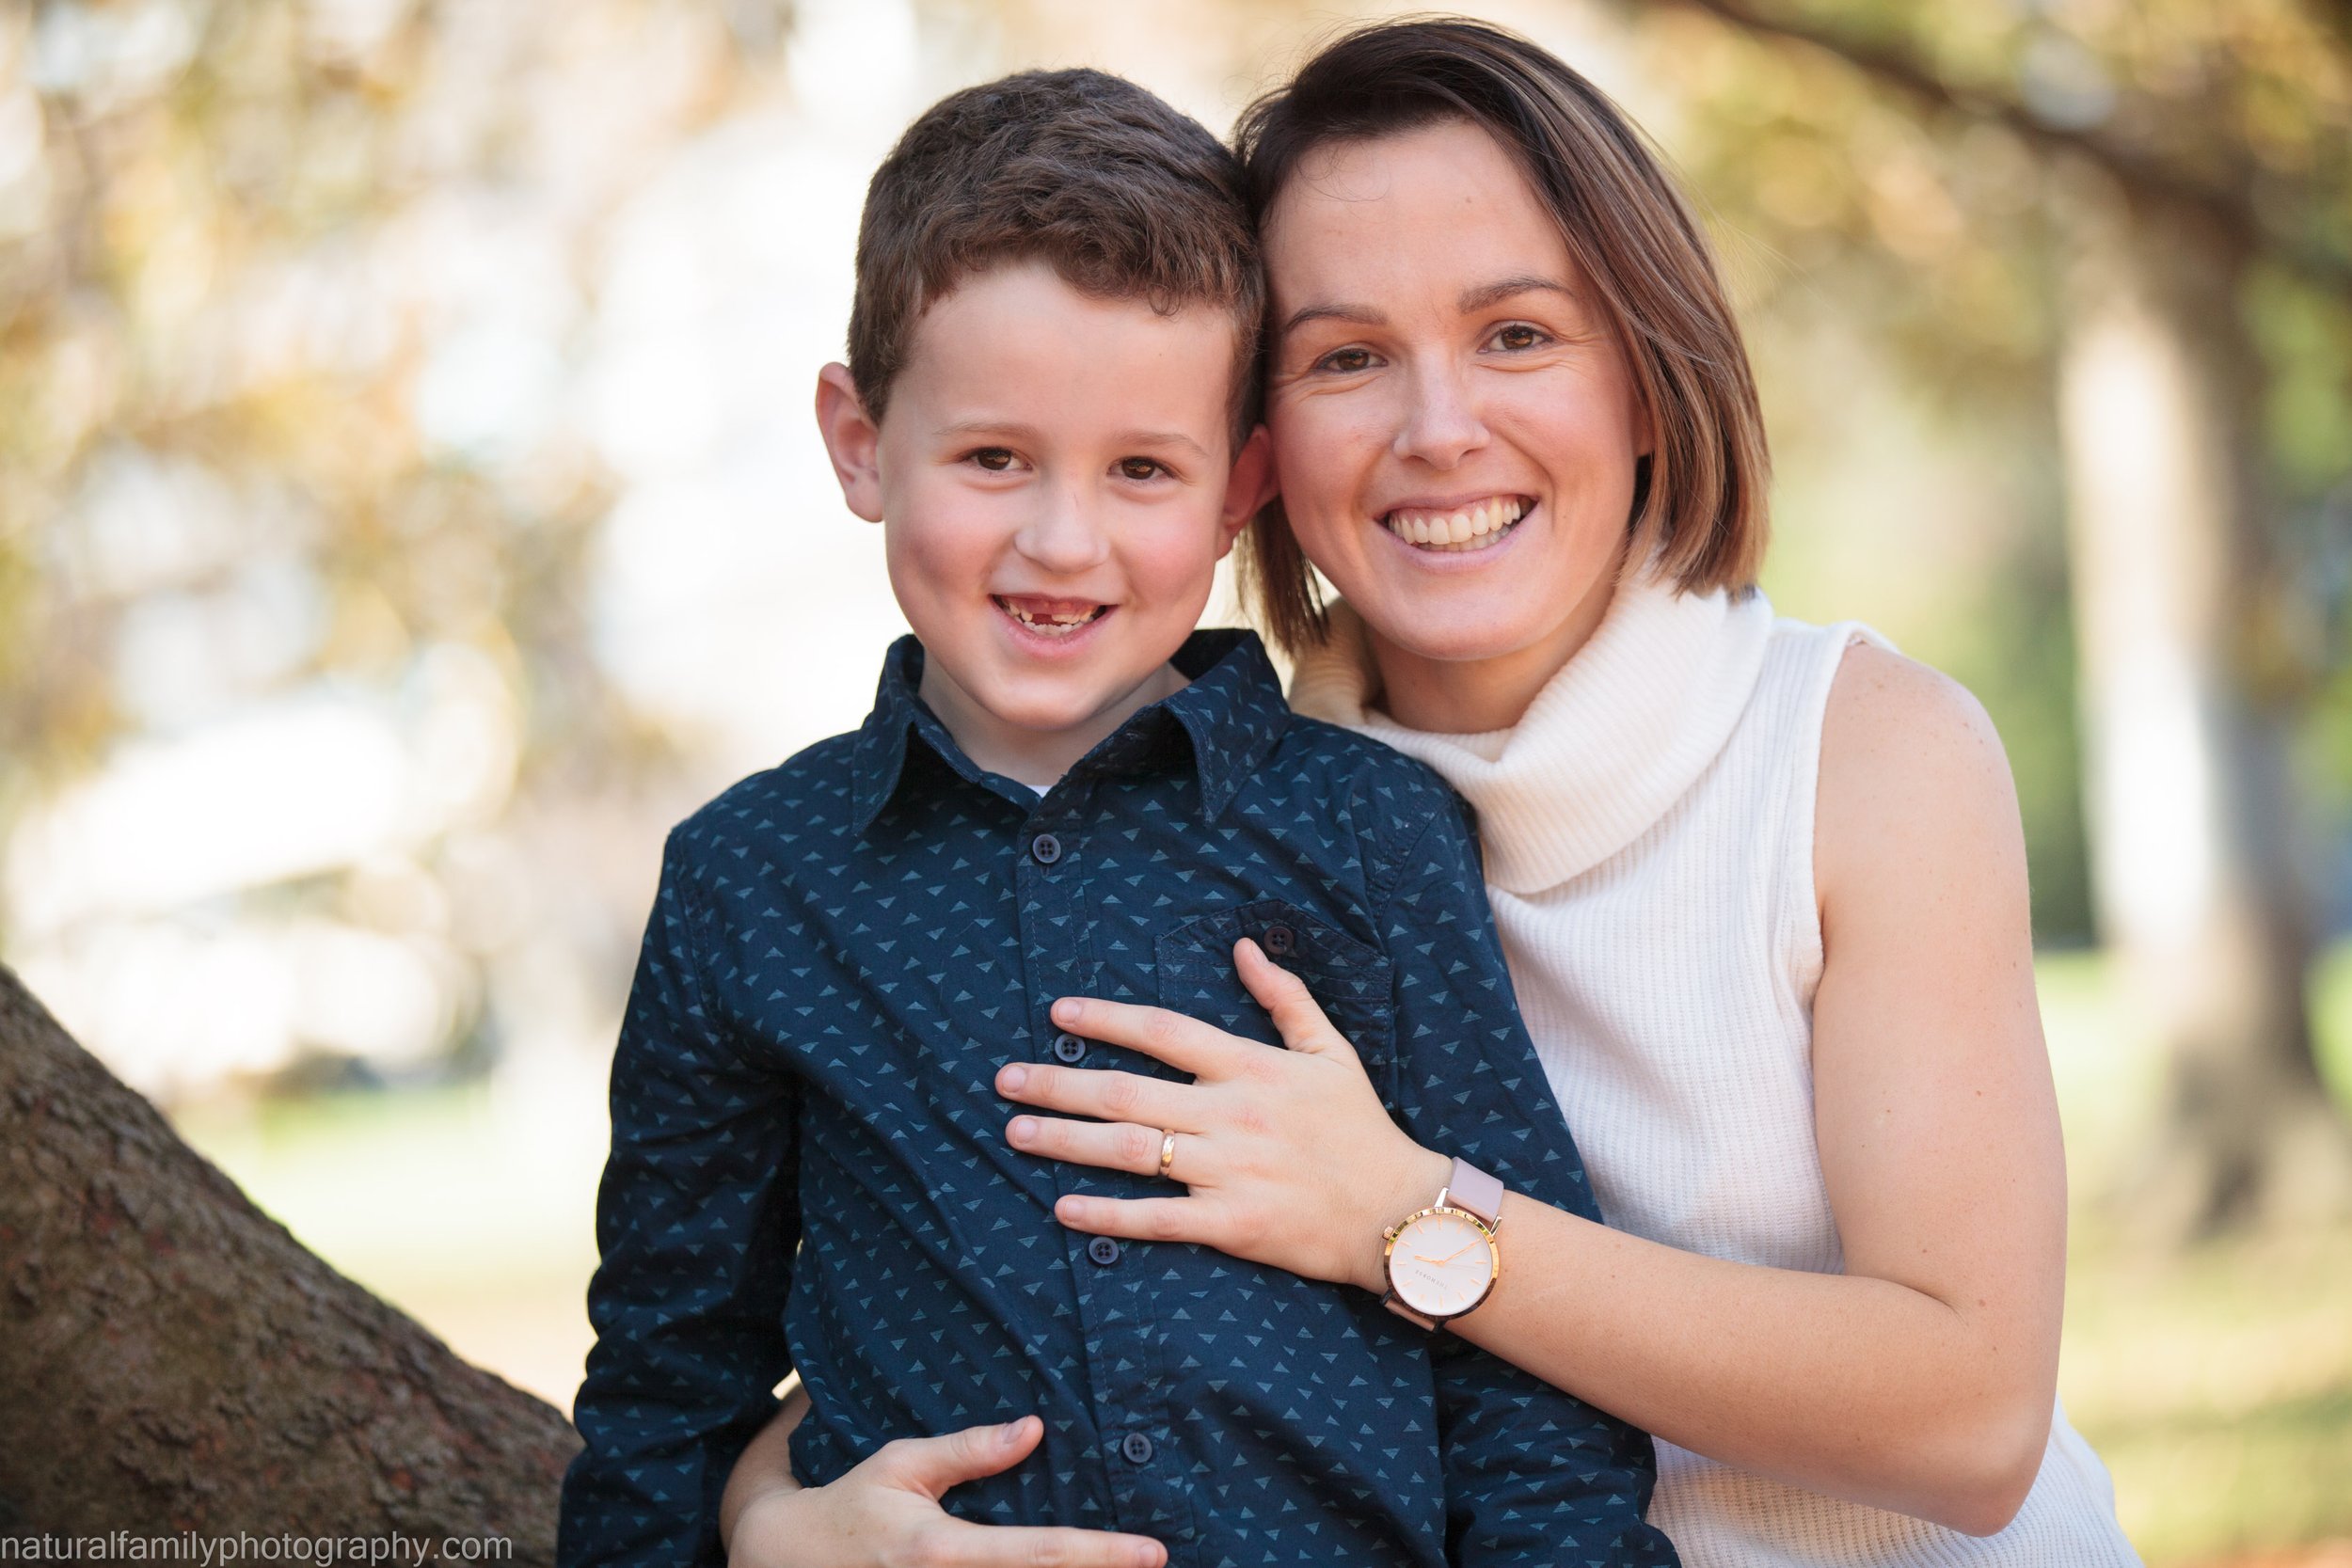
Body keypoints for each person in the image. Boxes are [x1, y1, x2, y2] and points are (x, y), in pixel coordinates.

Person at [724, 19, 2145, 1568]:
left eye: (1518, 335)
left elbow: (1971, 1419)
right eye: (1347, 358)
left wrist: (1406, 1220)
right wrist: (761, 1510)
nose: (1438, 429)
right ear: (1252, 448)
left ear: (1650, 370)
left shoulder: (1866, 754)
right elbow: (1008, 1257)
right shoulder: (1220, 811)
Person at [559, 65, 1678, 1568]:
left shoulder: (1372, 832)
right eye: (992, 458)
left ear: (1242, 489)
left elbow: (1531, 1392)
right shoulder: (748, 886)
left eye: (1143, 469)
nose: (1061, 540)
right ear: (856, 438)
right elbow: (664, 1385)